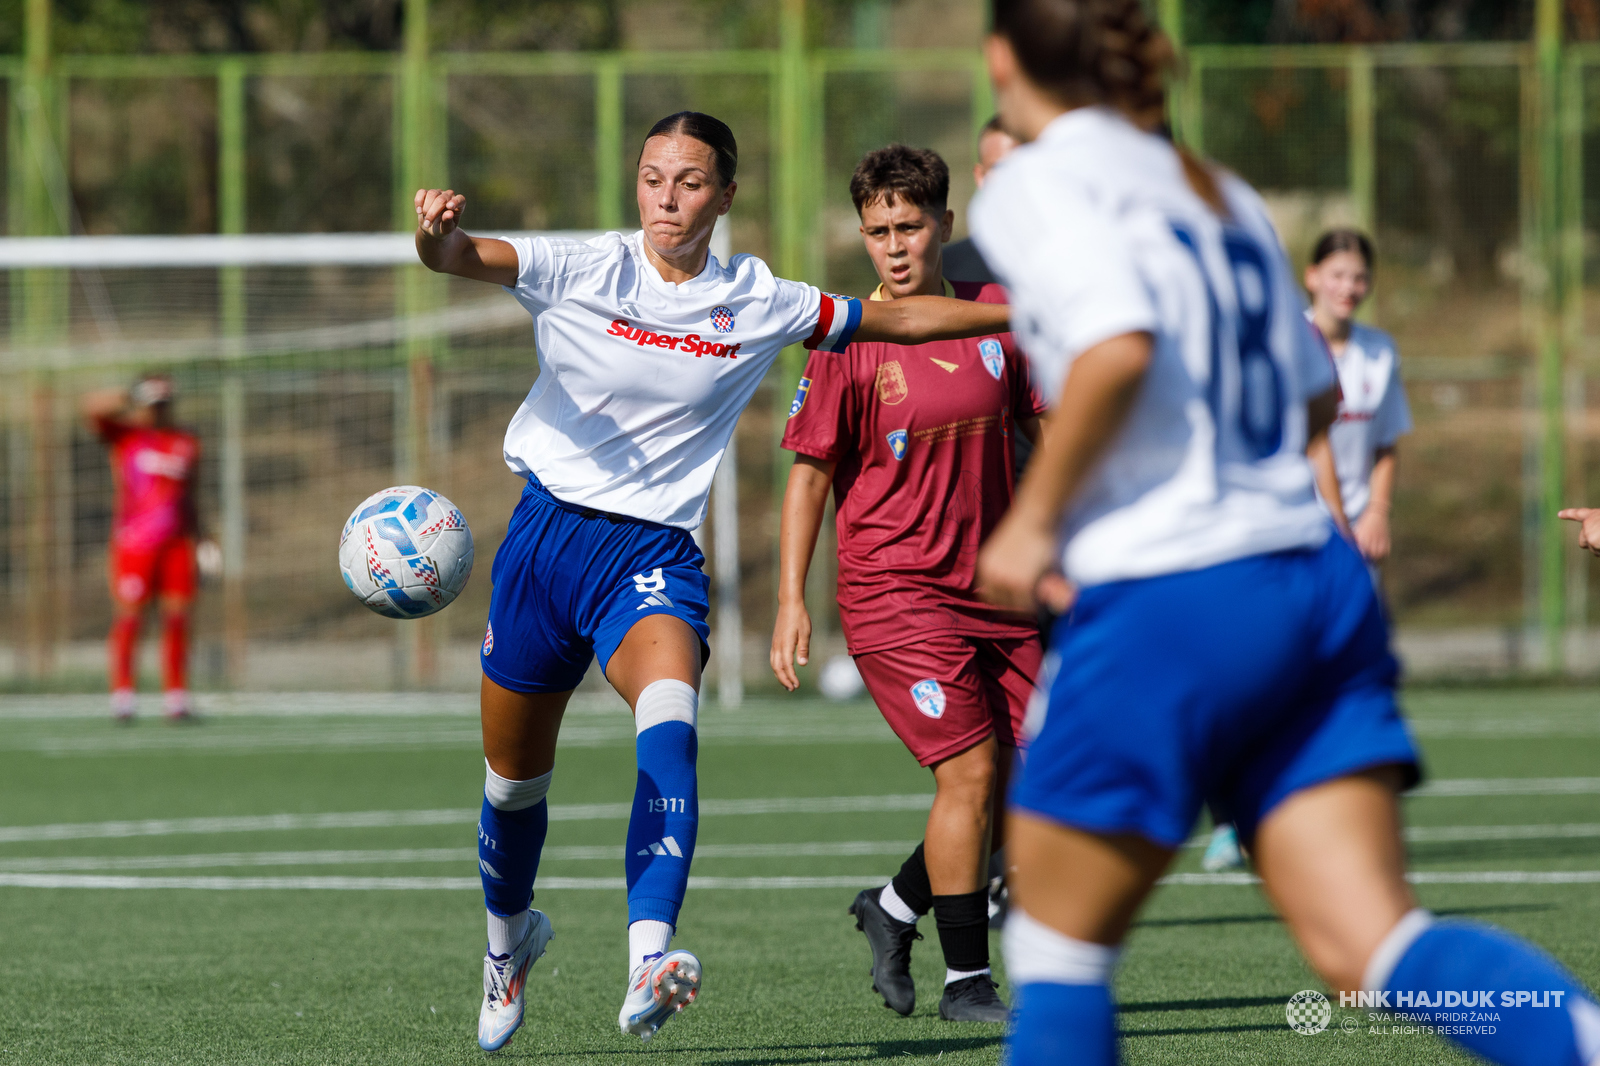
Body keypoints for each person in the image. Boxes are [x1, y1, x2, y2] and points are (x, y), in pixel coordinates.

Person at [969, 3, 1600, 1065]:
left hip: (1171, 596)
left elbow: (1116, 345)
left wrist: (1031, 527)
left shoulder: (1035, 180)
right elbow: (1313, 398)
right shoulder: (1220, 190)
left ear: (1000, 60)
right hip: (1310, 583)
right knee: (1377, 942)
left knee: (1059, 954)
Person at [412, 110, 1010, 1052]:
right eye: (652, 177)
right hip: (542, 545)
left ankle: (649, 956)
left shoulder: (760, 299)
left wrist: (1025, 314)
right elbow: (458, 259)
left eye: (689, 182)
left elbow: (897, 319)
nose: (666, 197)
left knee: (671, 723)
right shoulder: (582, 268)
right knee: (512, 787)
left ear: (724, 197)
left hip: (651, 560)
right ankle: (507, 944)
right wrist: (434, 234)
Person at [770, 143, 1046, 1024]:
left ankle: (891, 909)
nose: (893, 246)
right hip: (897, 592)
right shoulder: (849, 337)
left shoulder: (997, 316)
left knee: (1027, 782)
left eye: (910, 227)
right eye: (877, 230)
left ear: (945, 228)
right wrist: (788, 601)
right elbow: (810, 474)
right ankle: (969, 984)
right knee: (968, 775)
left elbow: (1050, 431)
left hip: (1001, 591)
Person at [81, 377, 202, 723]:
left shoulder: (185, 441)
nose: (158, 411)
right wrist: (128, 395)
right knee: (131, 619)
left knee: (177, 619)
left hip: (177, 544)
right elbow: (90, 408)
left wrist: (203, 538)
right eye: (152, 404)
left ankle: (176, 697)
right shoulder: (126, 436)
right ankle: (123, 696)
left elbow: (191, 497)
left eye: (164, 403)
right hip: (135, 545)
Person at [1304, 227, 1412, 569]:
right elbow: (1313, 441)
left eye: (1359, 278)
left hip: (1358, 532)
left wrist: (1376, 513)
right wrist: (1337, 524)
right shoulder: (1292, 343)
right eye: (1337, 275)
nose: (1348, 288)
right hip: (1301, 526)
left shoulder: (1380, 350)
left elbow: (1386, 441)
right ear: (1312, 276)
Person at [941, 116, 1019, 286]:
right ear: (980, 176)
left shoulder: (1071, 255)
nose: (1014, 177)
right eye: (1001, 168)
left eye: (1023, 165)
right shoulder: (945, 270)